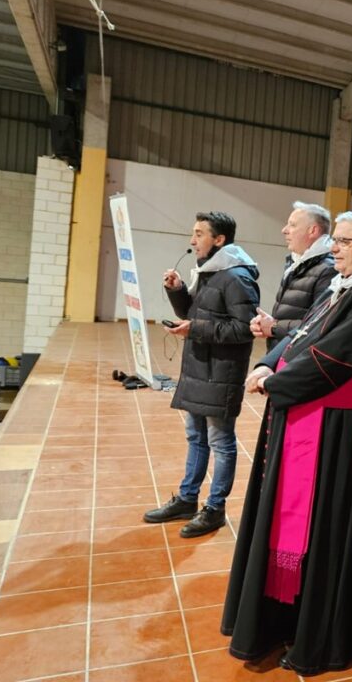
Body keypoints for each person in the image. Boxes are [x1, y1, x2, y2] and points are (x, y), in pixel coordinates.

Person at [221, 209, 352, 675]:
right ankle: (284, 619)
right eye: (335, 240)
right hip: (313, 419)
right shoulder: (344, 282)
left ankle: (321, 637)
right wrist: (269, 363)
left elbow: (336, 356)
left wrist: (276, 384)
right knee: (290, 523)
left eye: (343, 241)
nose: (334, 249)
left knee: (327, 531)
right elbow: (303, 332)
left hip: (341, 431)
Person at [144, 212, 260, 537]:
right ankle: (187, 499)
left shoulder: (236, 277)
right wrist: (178, 290)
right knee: (196, 437)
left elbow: (244, 329)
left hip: (220, 373)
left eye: (199, 234)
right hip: (199, 369)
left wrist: (195, 328)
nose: (192, 240)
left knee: (221, 442)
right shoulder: (210, 271)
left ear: (219, 240)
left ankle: (215, 508)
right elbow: (193, 312)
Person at [251, 201, 335, 351]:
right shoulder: (296, 263)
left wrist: (274, 327)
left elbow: (319, 323)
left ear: (313, 230)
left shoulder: (328, 269)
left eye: (293, 225)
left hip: (298, 357)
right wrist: (268, 322)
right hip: (283, 351)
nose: (284, 230)